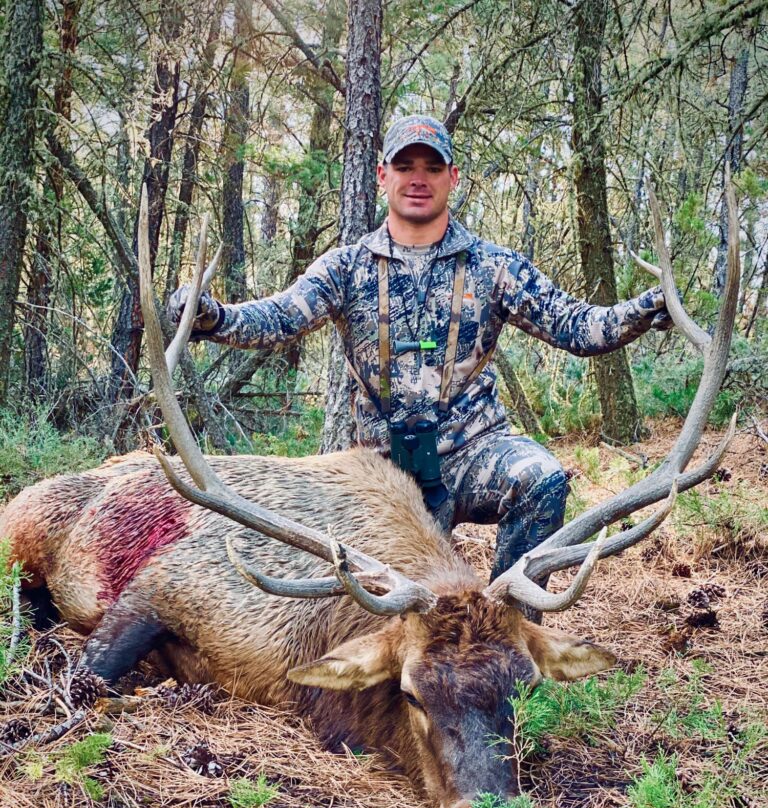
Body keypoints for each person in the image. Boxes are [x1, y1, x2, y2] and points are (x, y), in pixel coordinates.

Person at [169, 114, 670, 597]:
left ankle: (508, 629)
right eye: (405, 166)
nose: (418, 179)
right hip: (379, 473)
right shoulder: (347, 267)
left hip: (472, 455)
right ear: (382, 175)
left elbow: (577, 327)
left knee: (541, 480)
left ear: (452, 177)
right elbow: (277, 318)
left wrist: (647, 307)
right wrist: (212, 316)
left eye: (432, 167)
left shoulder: (494, 267)